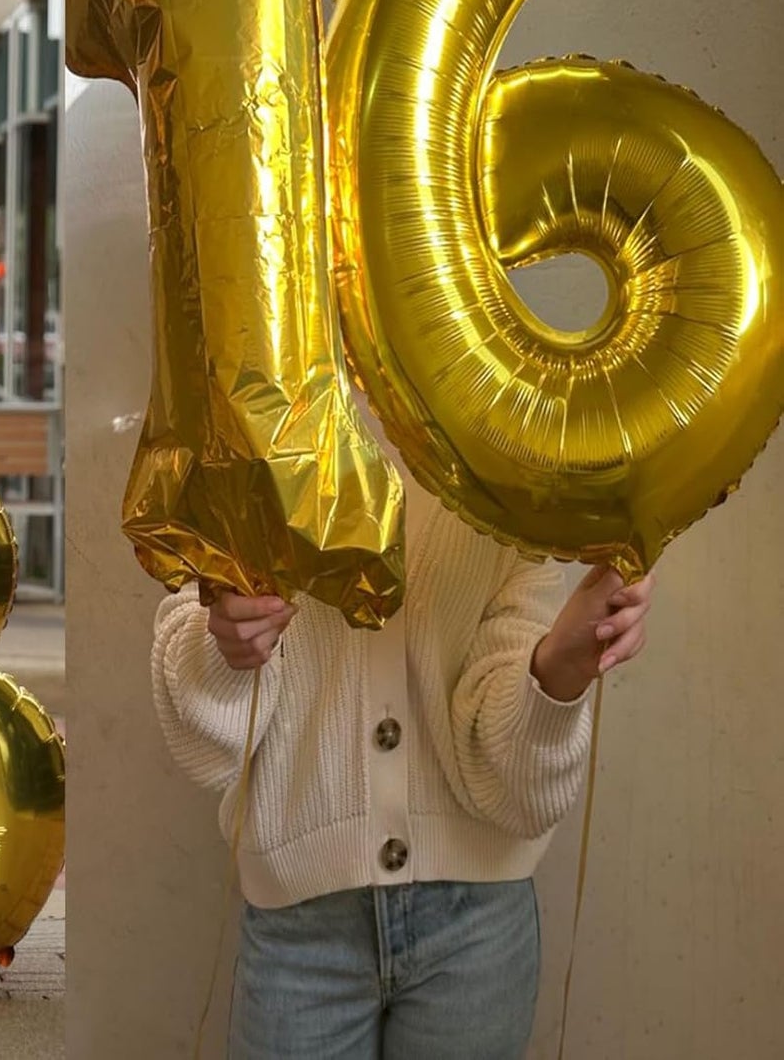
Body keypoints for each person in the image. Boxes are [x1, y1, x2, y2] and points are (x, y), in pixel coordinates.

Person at [151, 449, 653, 1060]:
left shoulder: (506, 421)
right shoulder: (245, 394)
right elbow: (206, 744)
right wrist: (223, 646)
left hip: (479, 928)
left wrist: (557, 672)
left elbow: (517, 792)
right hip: (301, 929)